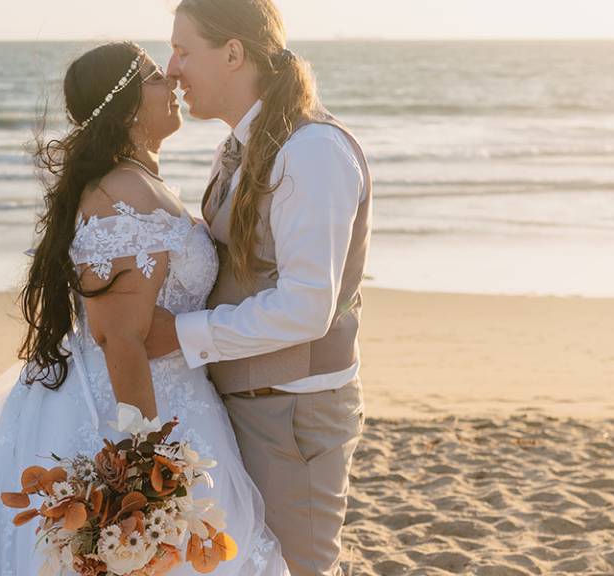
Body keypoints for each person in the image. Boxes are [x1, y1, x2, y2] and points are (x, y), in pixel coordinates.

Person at [0, 41, 289, 575]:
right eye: (152, 76)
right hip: (126, 413)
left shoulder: (138, 182)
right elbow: (118, 337)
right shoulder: (121, 192)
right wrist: (146, 463)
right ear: (125, 106)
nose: (169, 81)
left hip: (179, 400)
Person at [143, 1, 372, 574]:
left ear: (234, 53)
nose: (171, 69)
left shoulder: (310, 153)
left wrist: (180, 335)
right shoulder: (241, 147)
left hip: (292, 416)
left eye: (183, 50)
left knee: (297, 568)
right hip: (243, 405)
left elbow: (305, 308)